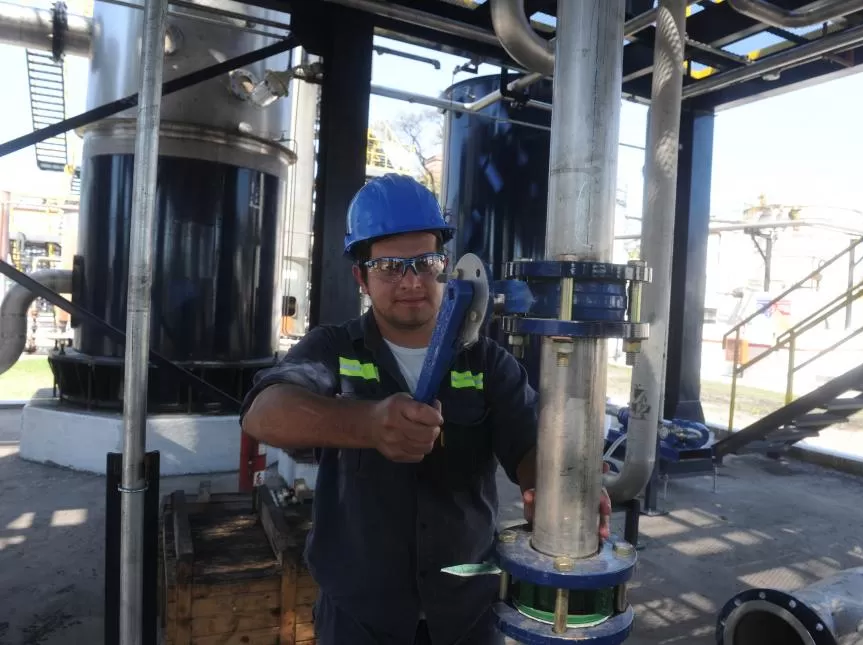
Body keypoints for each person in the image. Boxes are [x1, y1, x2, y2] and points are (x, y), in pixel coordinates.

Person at [240, 174, 612, 645]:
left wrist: (559, 493)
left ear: (446, 266)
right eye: (391, 267)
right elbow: (263, 412)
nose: (412, 281)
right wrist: (368, 423)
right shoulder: (333, 349)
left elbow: (528, 446)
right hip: (359, 618)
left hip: (467, 614)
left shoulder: (486, 361)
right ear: (360, 275)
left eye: (425, 262)